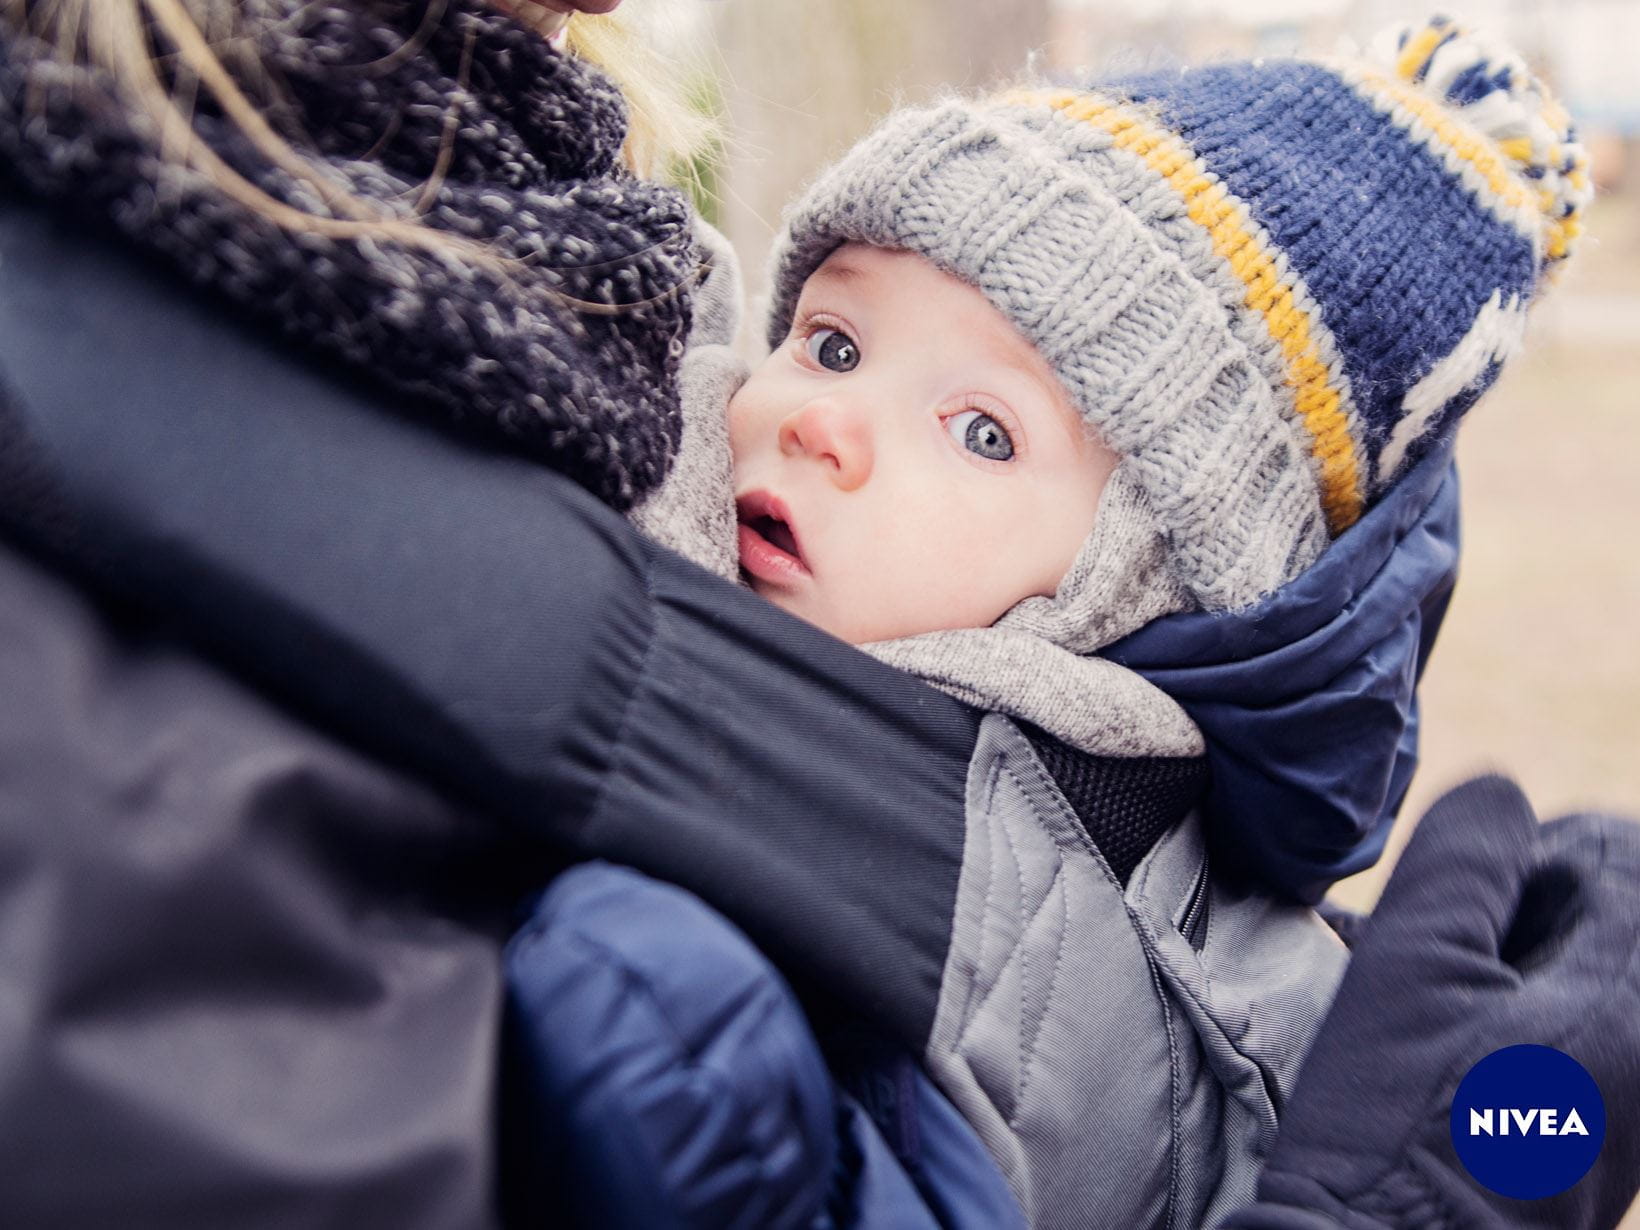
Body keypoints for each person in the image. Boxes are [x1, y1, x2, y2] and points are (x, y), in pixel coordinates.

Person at [0, 3, 1634, 1227]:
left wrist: (1510, 1130)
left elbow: (1451, 1104)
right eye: (834, 342)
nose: (814, 417)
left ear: (1128, 592)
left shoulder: (578, 298)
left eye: (983, 433)